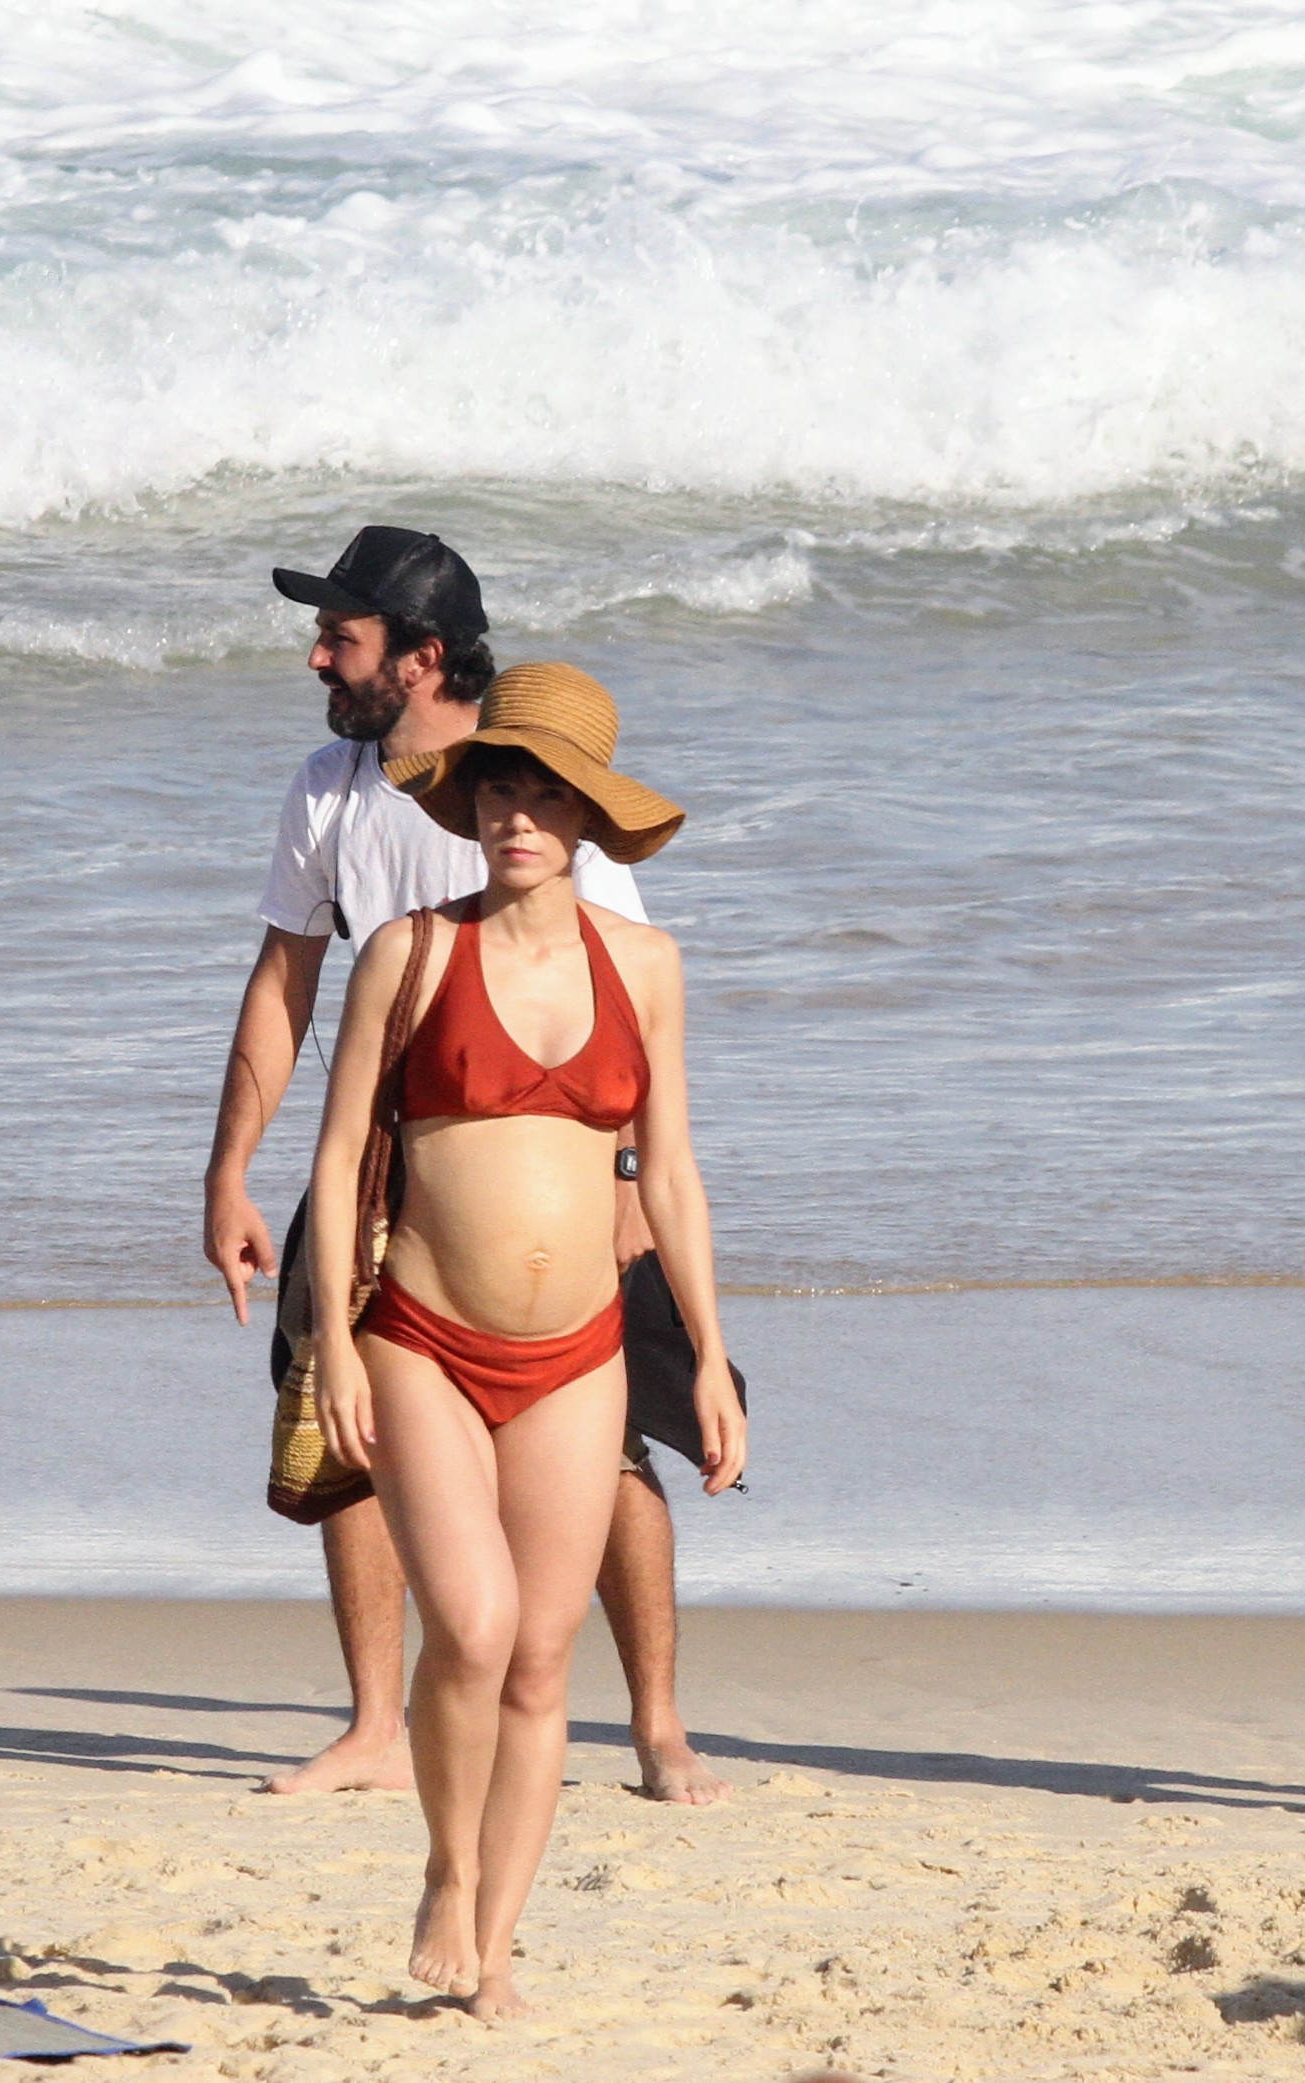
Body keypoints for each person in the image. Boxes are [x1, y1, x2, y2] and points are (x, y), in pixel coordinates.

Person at [203, 527, 730, 1805]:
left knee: (615, 1448)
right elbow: (284, 981)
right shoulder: (326, 787)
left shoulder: (536, 784)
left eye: (343, 636)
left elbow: (620, 1002)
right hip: (377, 1160)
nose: (318, 656)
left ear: (421, 656)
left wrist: (617, 1190)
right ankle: (376, 1722)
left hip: (559, 1161)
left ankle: (656, 1721)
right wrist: (229, 1172)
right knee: (346, 1432)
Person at [310, 662, 746, 2015]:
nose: (516, 814)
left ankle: (493, 1948)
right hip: (425, 1339)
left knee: (547, 1653)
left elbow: (669, 1172)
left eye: (546, 793)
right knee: (479, 1625)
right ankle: (447, 1865)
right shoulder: (412, 950)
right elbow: (335, 1164)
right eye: (501, 786)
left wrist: (714, 1356)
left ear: (589, 818)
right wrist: (332, 1338)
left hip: (581, 1351)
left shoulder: (649, 966)